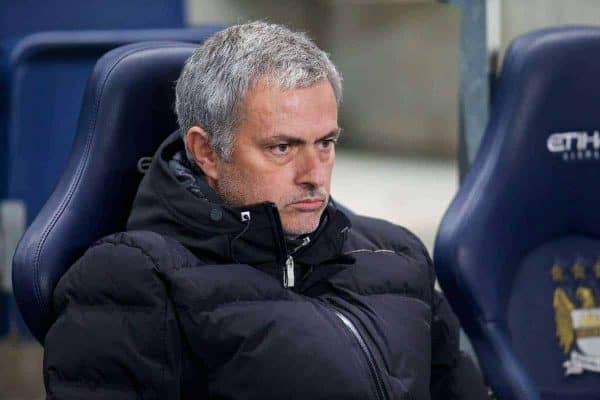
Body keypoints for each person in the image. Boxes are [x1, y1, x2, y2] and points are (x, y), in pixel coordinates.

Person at [43, 22, 487, 400]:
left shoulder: (395, 254)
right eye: (282, 147)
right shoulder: (131, 280)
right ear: (207, 152)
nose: (315, 174)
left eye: (326, 144)